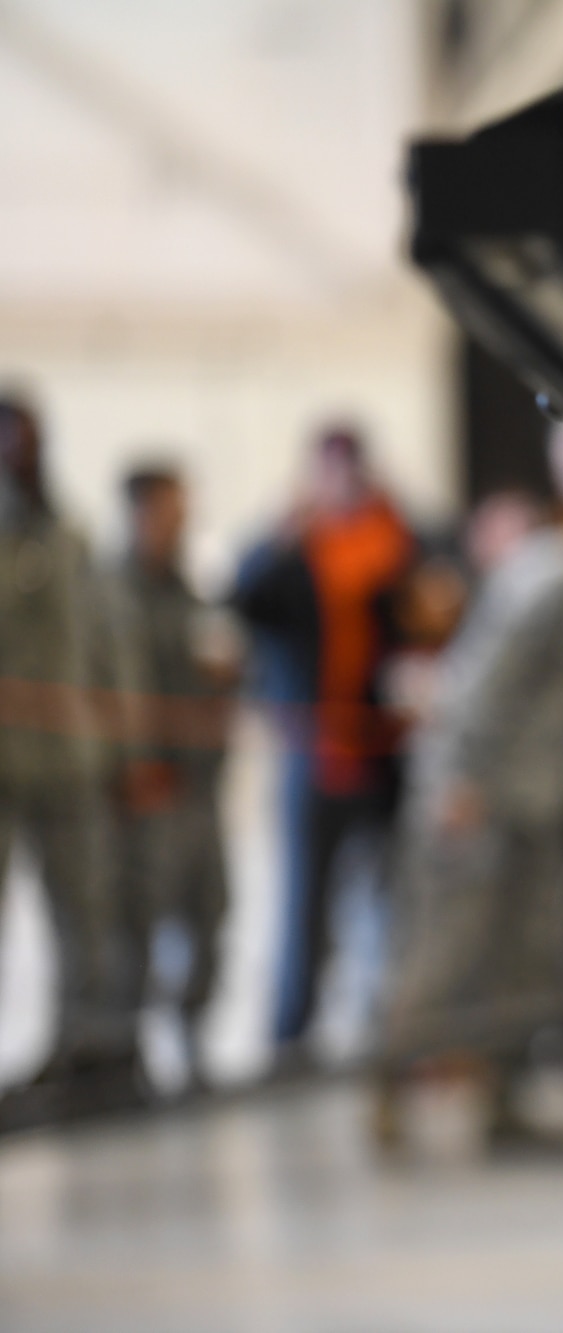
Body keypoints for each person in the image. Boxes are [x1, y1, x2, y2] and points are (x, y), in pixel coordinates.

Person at [376, 435, 563, 1146]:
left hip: (538, 803)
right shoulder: (552, 577)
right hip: (475, 797)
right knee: (448, 952)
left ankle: (502, 1098)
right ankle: (384, 1087)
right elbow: (478, 689)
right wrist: (461, 783)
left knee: (529, 954)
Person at [232, 424, 413, 1065]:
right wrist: (282, 534)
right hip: (312, 754)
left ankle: (382, 1032)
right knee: (303, 906)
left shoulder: (395, 541)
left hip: (382, 755)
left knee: (385, 904)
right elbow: (242, 600)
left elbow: (420, 620)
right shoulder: (293, 549)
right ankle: (291, 1038)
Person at [0, 396, 144, 1117]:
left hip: (68, 756)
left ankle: (86, 1048)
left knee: (84, 911)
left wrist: (125, 745)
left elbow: (105, 645)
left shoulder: (68, 536)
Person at [106, 463, 238, 1091]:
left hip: (200, 786)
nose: (179, 523)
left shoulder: (194, 594)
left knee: (210, 916)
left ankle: (191, 1039)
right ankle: (124, 1055)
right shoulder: (107, 596)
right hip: (143, 791)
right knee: (135, 925)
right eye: (168, 510)